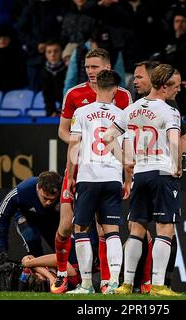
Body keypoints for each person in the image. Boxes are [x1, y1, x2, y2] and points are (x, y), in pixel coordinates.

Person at [52, 48, 132, 294]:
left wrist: (71, 175)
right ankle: (110, 284)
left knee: (83, 229)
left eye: (95, 67)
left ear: (106, 69)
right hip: (112, 176)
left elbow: (74, 147)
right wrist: (127, 176)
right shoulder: (121, 113)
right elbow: (126, 149)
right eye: (87, 67)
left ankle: (87, 284)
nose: (90, 72)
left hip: (86, 173)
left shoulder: (83, 112)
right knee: (111, 230)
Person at [104, 64, 183, 296]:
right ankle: (158, 285)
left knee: (136, 229)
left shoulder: (132, 108)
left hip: (140, 173)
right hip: (161, 172)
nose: (177, 91)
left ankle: (127, 283)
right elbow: (174, 140)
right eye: (175, 86)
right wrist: (177, 165)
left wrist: (125, 161)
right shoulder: (169, 111)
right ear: (165, 86)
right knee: (164, 228)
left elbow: (108, 137)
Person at [131, 60, 186, 293]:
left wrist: (175, 160)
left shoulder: (167, 107)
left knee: (154, 230)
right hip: (154, 172)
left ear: (154, 80)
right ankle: (144, 283)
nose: (136, 81)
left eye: (139, 77)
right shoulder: (151, 107)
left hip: (147, 171)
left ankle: (159, 281)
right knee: (158, 229)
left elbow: (184, 141)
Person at [0, 171, 62, 264]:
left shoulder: (66, 189)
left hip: (52, 219)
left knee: (64, 249)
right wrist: (0, 249)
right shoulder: (21, 191)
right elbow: (1, 217)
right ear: (38, 188)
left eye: (52, 199)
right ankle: (38, 275)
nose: (48, 203)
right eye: (45, 198)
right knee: (31, 239)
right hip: (26, 216)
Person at [40, 40, 67, 116]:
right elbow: (46, 94)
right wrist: (51, 111)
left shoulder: (67, 70)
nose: (53, 55)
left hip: (67, 109)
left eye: (56, 51)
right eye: (49, 52)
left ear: (61, 52)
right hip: (52, 110)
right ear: (45, 54)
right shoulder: (44, 72)